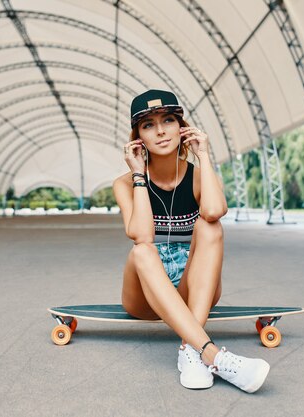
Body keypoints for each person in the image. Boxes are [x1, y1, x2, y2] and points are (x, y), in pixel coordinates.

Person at [112, 89, 270, 392]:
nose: (160, 131)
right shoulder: (124, 183)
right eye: (148, 125)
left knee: (210, 227)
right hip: (146, 296)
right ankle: (210, 354)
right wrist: (138, 175)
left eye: (168, 120)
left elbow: (214, 211)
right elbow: (141, 235)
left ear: (182, 127)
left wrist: (205, 156)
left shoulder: (199, 175)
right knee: (142, 252)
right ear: (137, 137)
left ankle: (190, 351)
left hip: (193, 290)